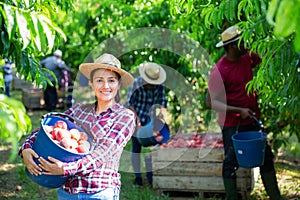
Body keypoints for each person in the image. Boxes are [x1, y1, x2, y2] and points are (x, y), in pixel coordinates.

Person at [19, 53, 136, 199]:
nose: (106, 86)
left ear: (118, 85)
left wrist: (65, 169)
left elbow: (105, 152)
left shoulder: (125, 116)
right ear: (92, 84)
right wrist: (27, 147)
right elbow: (48, 129)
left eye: (111, 80)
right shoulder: (78, 110)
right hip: (67, 192)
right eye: (99, 80)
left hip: (100, 192)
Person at [206, 25, 282, 200]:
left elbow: (266, 58)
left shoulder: (247, 57)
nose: (245, 44)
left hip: (252, 119)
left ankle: (276, 196)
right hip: (232, 124)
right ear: (232, 46)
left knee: (266, 156)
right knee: (231, 162)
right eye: (242, 41)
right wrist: (238, 110)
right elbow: (211, 103)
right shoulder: (220, 70)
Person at [126, 62, 167, 186]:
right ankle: (138, 177)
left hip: (151, 119)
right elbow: (130, 104)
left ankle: (151, 174)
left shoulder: (159, 86)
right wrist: (137, 122)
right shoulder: (136, 84)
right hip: (136, 115)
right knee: (136, 148)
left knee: (153, 148)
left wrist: (160, 119)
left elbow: (162, 104)